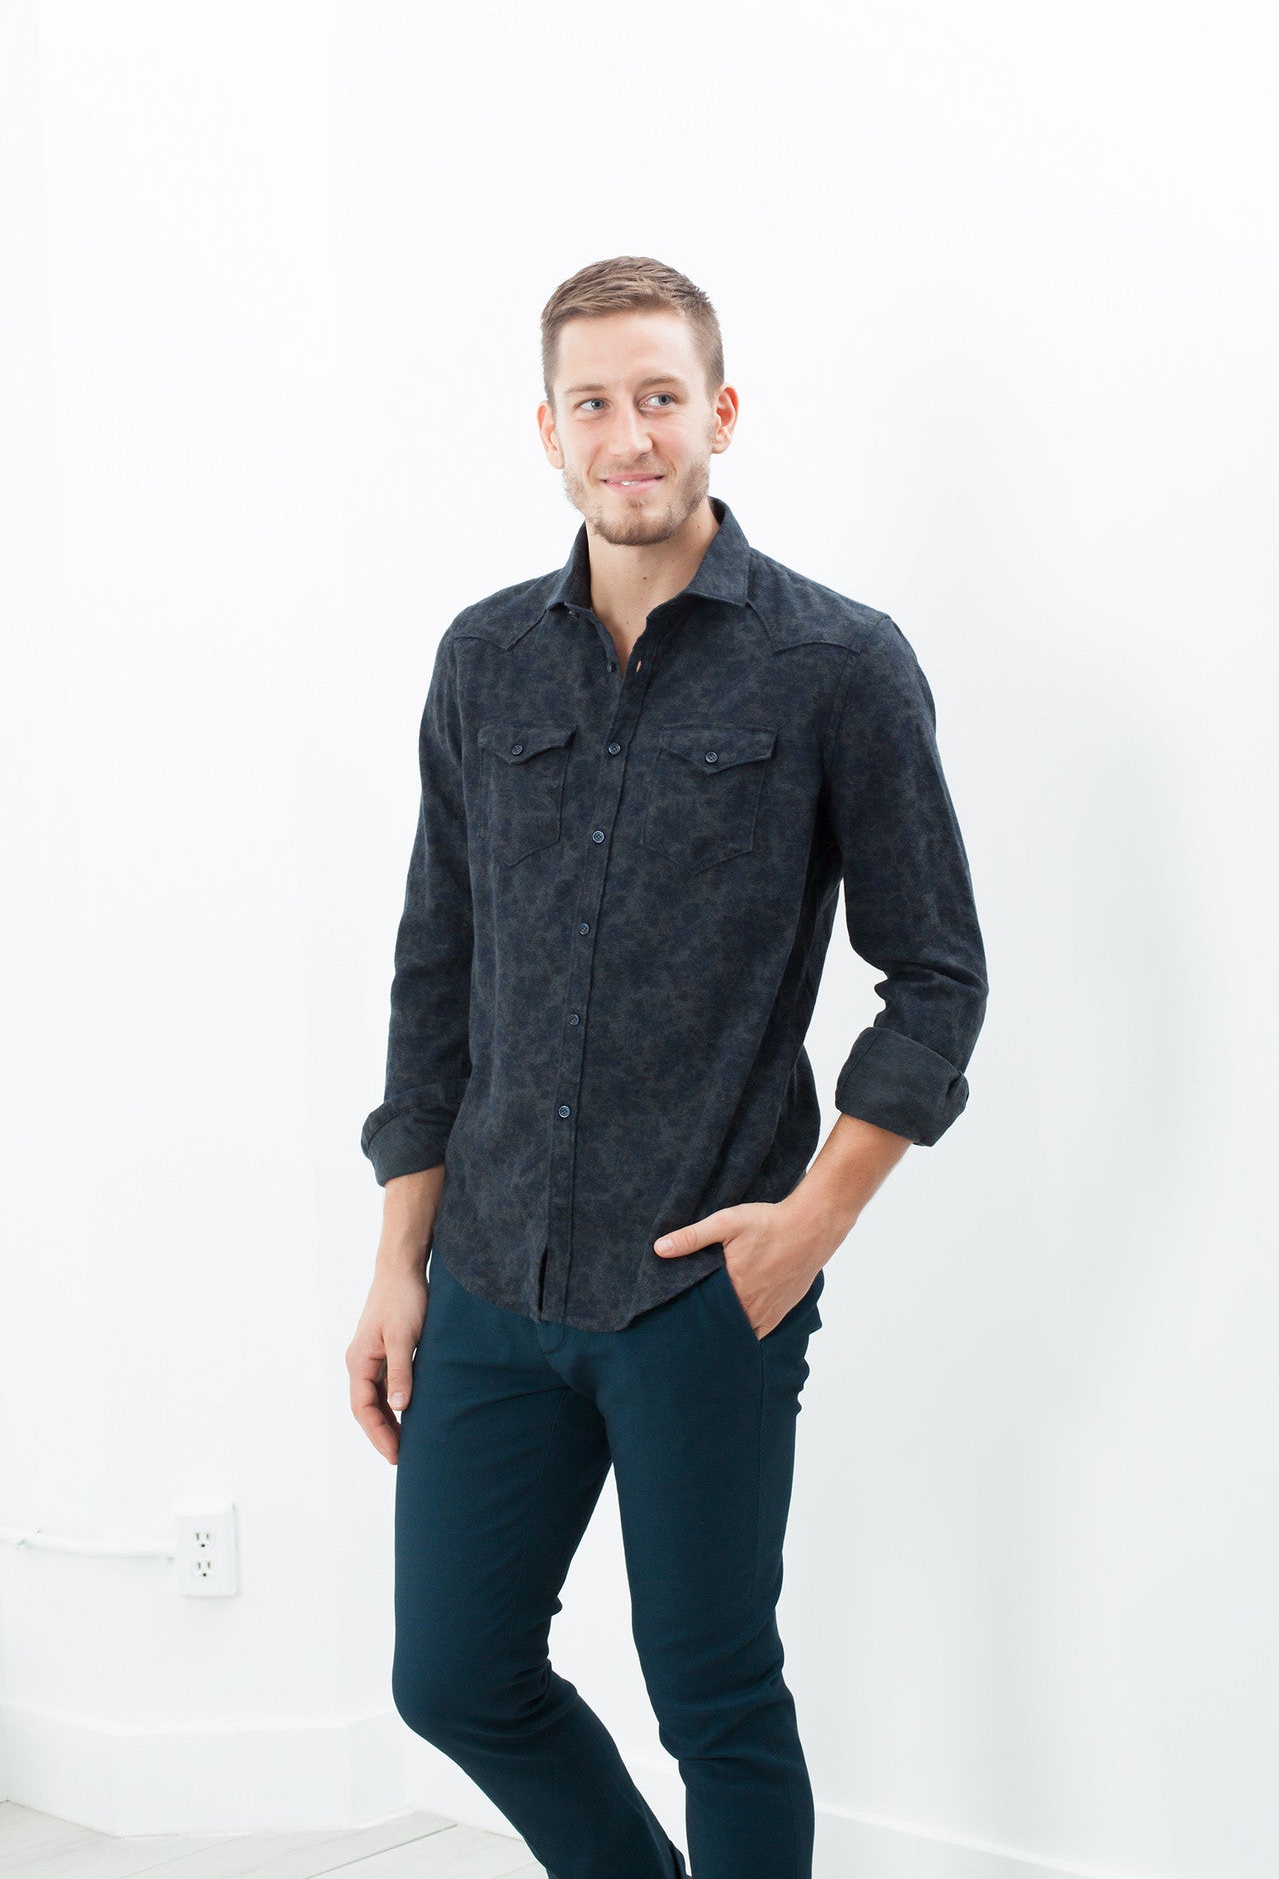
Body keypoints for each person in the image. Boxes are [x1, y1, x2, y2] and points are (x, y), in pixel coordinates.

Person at [345, 256, 988, 1879]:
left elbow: (936, 979)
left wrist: (808, 1227)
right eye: (592, 403)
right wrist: (398, 1263)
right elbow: (436, 970)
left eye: (657, 397)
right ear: (547, 430)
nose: (626, 436)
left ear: (719, 412)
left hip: (701, 1283)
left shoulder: (837, 661)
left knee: (714, 1699)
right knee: (455, 1676)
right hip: (490, 1273)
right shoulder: (484, 659)